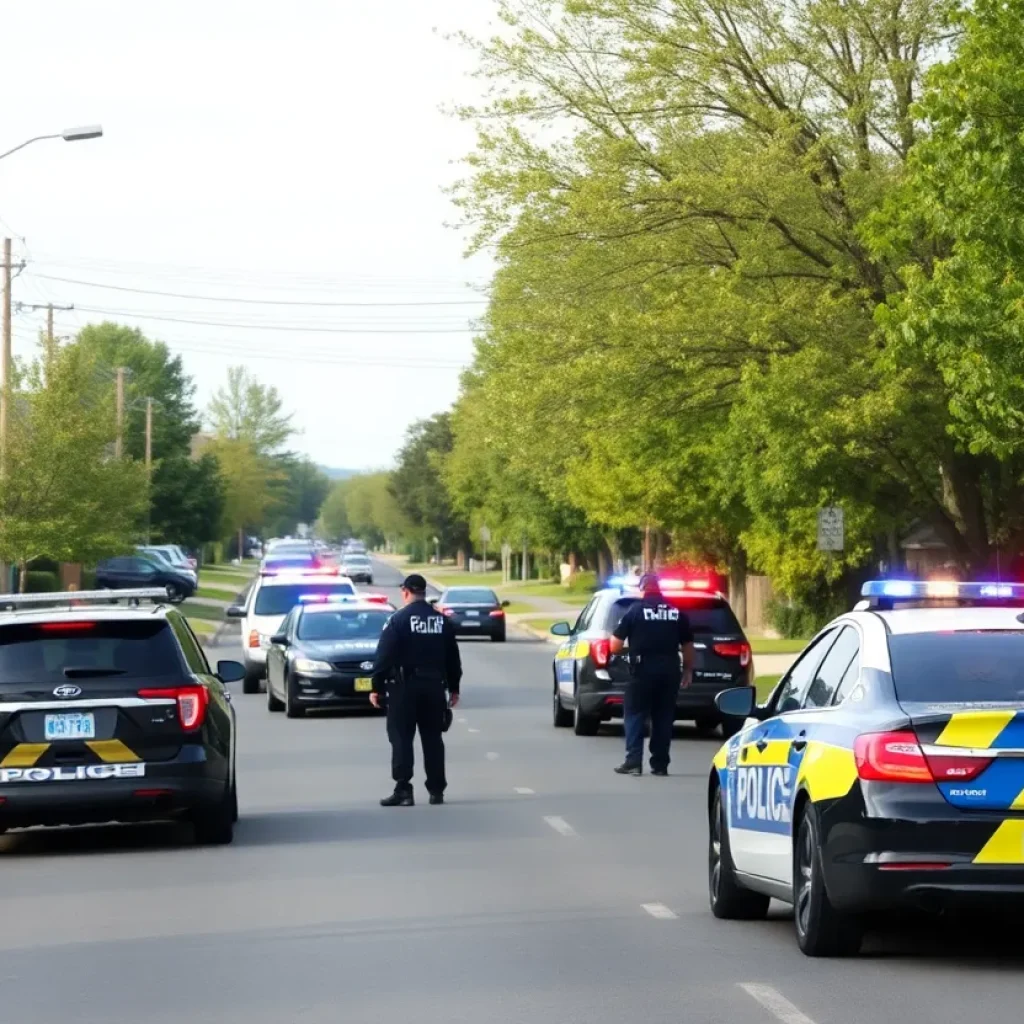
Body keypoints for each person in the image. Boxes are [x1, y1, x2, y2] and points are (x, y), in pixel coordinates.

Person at [369, 573, 462, 806]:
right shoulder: (441, 621)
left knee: (401, 738)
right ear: (424, 592)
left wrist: (376, 687)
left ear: (406, 592)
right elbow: (453, 658)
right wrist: (454, 688)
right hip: (434, 687)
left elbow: (383, 657)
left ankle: (403, 790)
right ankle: (437, 790)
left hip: (403, 688)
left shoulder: (397, 621)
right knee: (433, 739)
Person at [609, 573, 694, 776]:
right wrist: (688, 670)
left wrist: (629, 652)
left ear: (642, 589)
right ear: (660, 588)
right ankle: (660, 764)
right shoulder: (676, 612)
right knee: (664, 717)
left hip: (641, 671)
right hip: (670, 671)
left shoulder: (634, 611)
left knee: (635, 714)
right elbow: (688, 645)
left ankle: (633, 762)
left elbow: (614, 645)